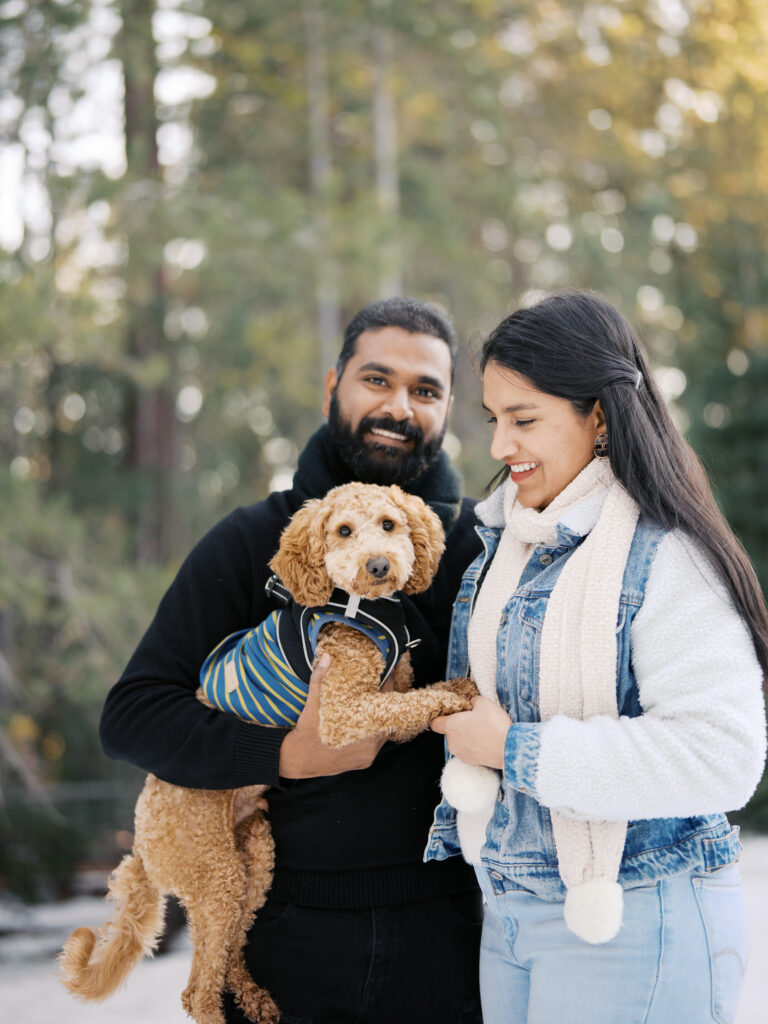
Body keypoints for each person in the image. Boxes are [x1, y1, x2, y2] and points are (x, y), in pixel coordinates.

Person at [99, 296, 484, 1024]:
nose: (399, 406)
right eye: (377, 379)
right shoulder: (255, 541)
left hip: (452, 937)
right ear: (332, 384)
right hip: (286, 937)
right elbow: (133, 715)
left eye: (424, 390)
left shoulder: (479, 551)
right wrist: (286, 754)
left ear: (448, 407)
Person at [428, 290, 768, 1024]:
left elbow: (725, 755)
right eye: (494, 420)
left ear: (600, 417)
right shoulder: (508, 545)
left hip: (635, 916)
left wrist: (514, 749)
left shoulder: (666, 555)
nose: (499, 447)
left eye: (524, 421)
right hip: (513, 911)